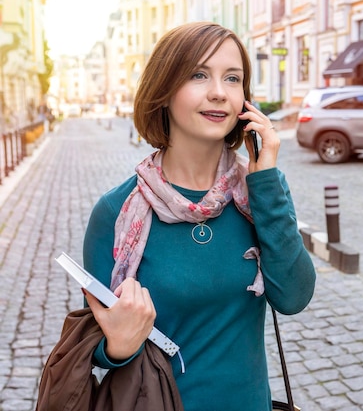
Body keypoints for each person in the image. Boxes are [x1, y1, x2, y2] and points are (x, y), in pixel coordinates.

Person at [82, 21, 316, 410]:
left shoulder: (257, 194)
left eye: (232, 78)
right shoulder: (115, 212)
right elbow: (93, 344)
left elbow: (293, 297)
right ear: (164, 90)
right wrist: (118, 346)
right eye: (199, 75)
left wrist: (268, 186)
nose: (218, 93)